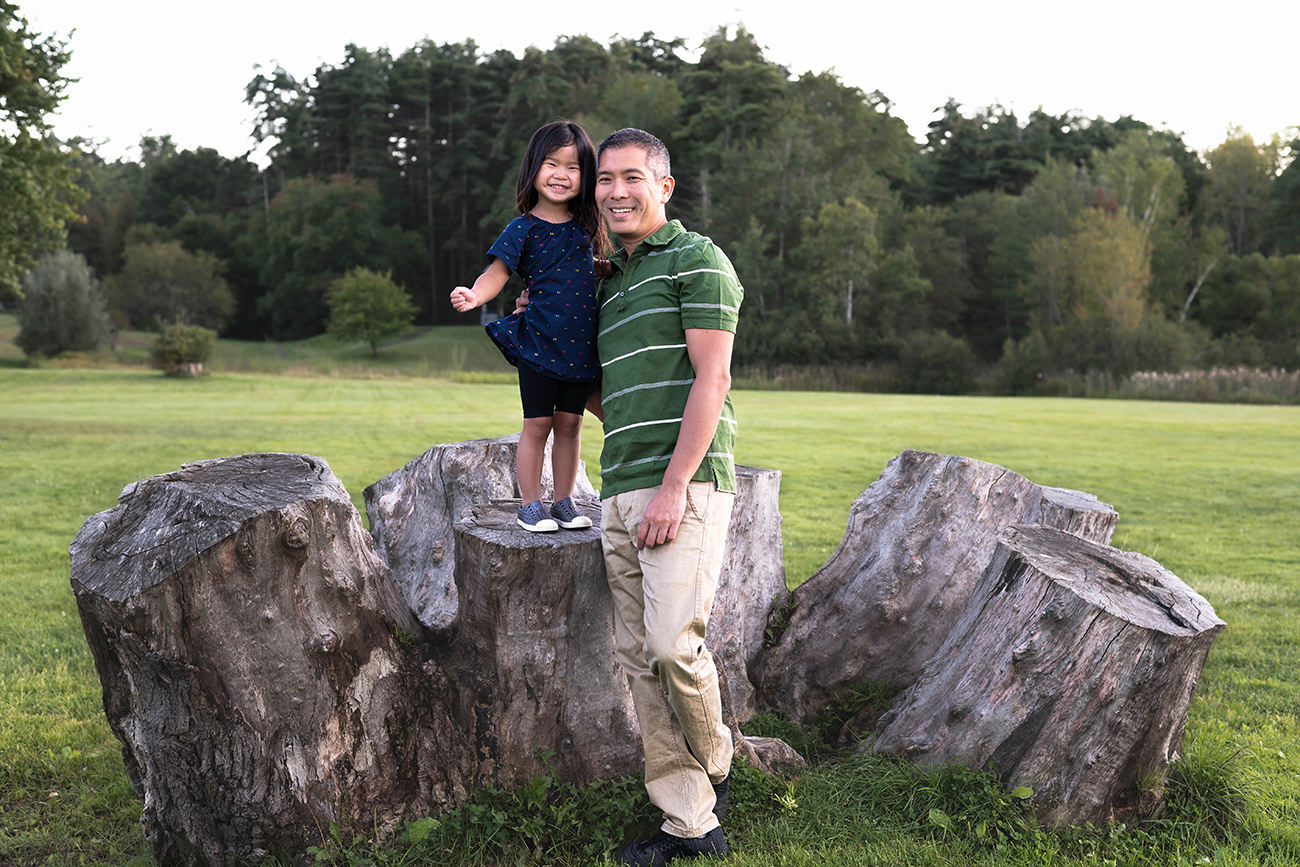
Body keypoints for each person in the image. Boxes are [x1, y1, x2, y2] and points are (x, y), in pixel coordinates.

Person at [592, 128, 743, 865]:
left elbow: (711, 379)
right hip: (618, 484)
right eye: (604, 180)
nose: (616, 191)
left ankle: (718, 759)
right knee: (637, 658)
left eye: (631, 177)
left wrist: (674, 486)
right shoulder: (609, 282)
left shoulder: (698, 260)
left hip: (681, 483)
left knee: (671, 646)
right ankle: (690, 821)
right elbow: (611, 394)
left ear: (664, 186)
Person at [450, 120, 606, 533]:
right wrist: (475, 295)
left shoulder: (589, 229)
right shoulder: (523, 228)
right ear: (534, 168)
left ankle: (564, 502)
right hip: (538, 340)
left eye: (573, 168)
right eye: (551, 164)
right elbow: (497, 274)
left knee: (571, 424)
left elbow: (597, 273)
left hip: (580, 347)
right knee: (538, 424)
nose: (561, 175)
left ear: (586, 175)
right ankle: (530, 505)